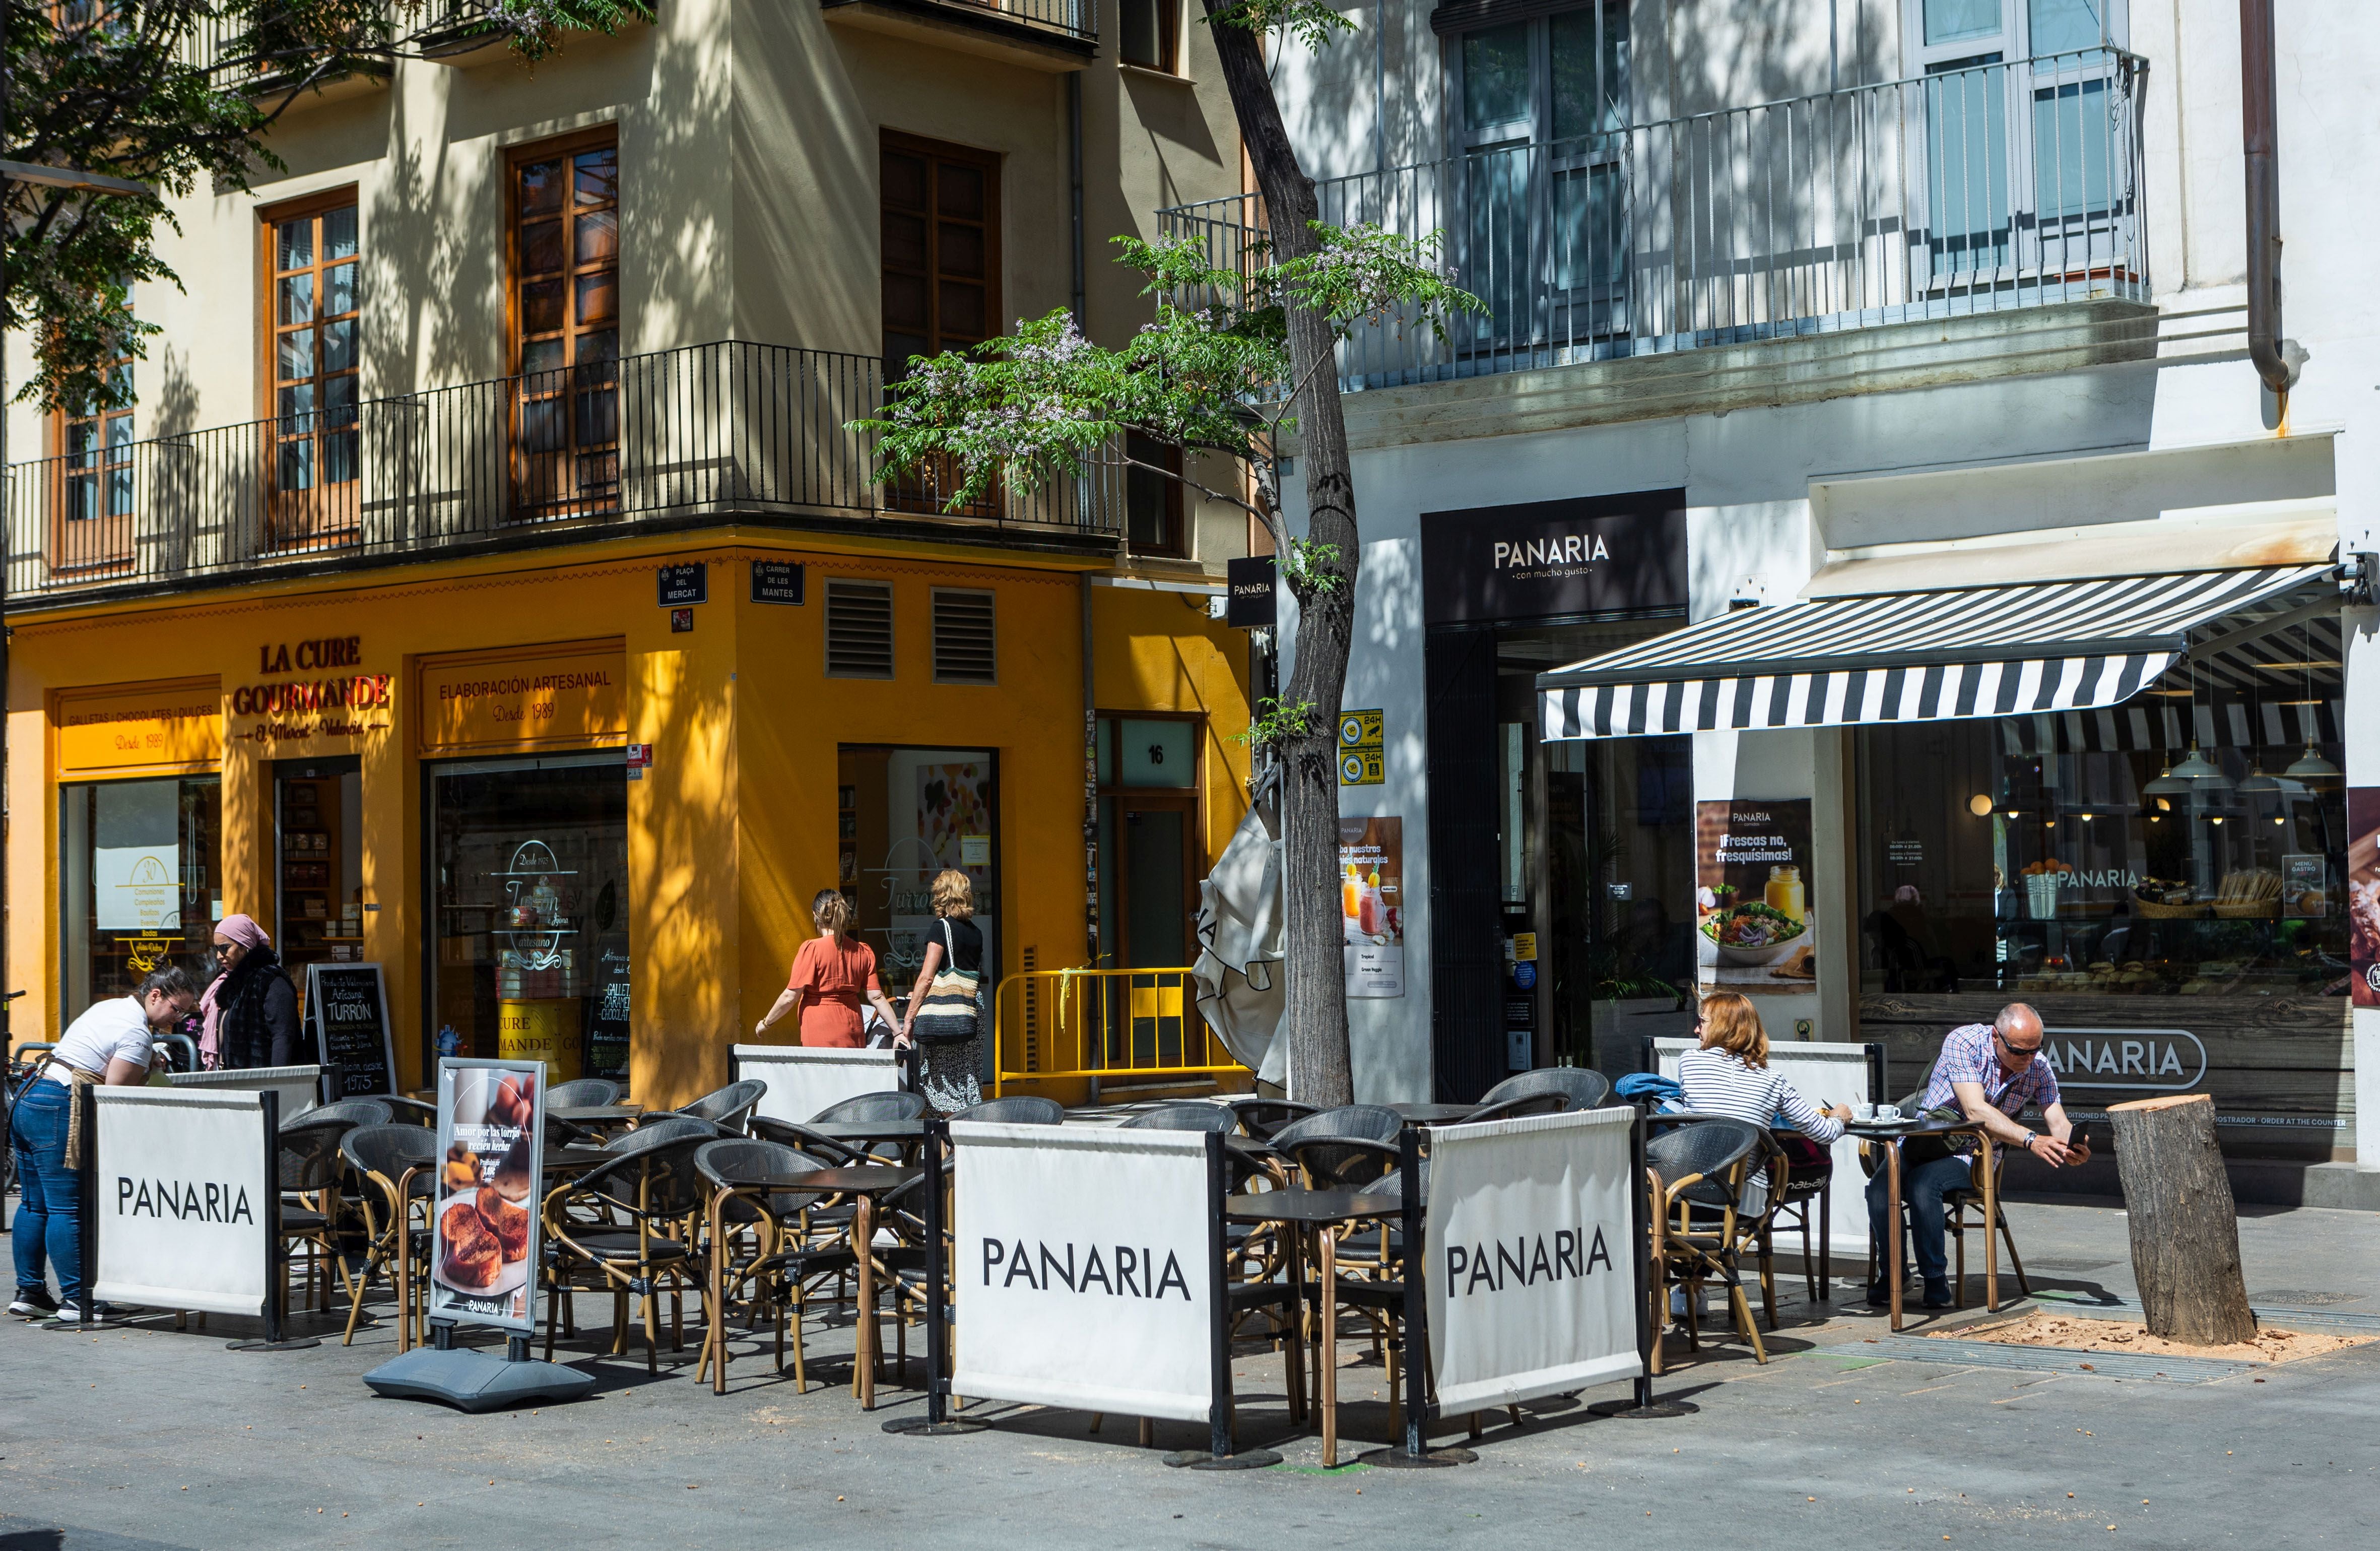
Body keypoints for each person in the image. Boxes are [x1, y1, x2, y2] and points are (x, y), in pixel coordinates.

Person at [1868, 1002, 2090, 1310]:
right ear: (1996, 1037)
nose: (2028, 1059)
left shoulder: (2038, 1066)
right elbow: (1975, 1110)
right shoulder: (1965, 1042)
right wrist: (2030, 1139)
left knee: (1923, 1186)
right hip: (1925, 1141)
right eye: (2018, 1051)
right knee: (1879, 1190)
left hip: (1976, 1154)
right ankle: (1894, 1272)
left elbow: (2058, 1121)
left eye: (2036, 1050)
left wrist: (2072, 1145)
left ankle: (1934, 1278)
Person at [11, 968, 199, 1322]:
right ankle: (75, 1300)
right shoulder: (137, 1033)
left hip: (31, 1097)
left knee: (34, 1204)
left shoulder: (111, 1007)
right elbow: (114, 1096)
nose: (179, 1019)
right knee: (67, 1208)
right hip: (59, 1105)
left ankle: (30, 1291)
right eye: (177, 1009)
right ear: (155, 996)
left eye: (185, 1013)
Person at [754, 889, 900, 1048]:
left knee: (820, 1072)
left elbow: (791, 996)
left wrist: (767, 1022)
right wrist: (898, 1033)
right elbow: (877, 998)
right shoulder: (862, 951)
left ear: (816, 916)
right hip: (852, 1028)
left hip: (819, 1029)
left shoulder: (812, 949)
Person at [898, 869, 987, 1116]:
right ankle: (962, 1141)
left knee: (943, 1082)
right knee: (967, 1074)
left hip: (948, 1010)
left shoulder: (941, 928)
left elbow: (927, 977)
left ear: (943, 896)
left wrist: (910, 1017)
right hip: (971, 1008)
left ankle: (950, 1143)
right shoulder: (975, 932)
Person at [198, 914, 301, 1070]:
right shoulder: (226, 981)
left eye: (225, 948)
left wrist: (279, 1084)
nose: (219, 956)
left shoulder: (271, 980)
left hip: (260, 1082)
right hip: (228, 1079)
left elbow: (283, 1036)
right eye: (217, 949)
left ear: (245, 945)